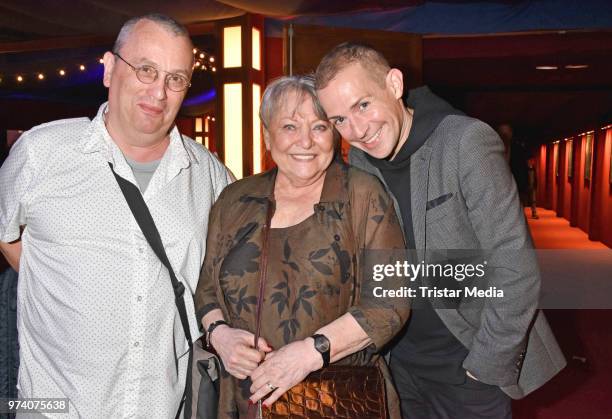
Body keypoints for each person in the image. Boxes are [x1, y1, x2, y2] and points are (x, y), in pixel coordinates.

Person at [315, 43, 566, 419]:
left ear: (394, 84)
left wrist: (483, 367)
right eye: (339, 120)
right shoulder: (364, 162)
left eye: (363, 105)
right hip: (398, 364)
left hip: (466, 365)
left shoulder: (465, 142)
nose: (358, 130)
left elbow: (516, 267)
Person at [0, 14, 232, 418]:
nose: (159, 91)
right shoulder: (41, 153)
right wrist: (54, 277)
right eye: (146, 70)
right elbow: (5, 231)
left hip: (164, 409)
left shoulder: (208, 173)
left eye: (176, 78)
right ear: (109, 68)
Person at [194, 75, 410, 418]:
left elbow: (390, 304)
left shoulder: (361, 195)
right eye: (290, 126)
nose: (306, 141)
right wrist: (221, 336)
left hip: (337, 400)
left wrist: (312, 352)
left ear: (334, 134)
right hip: (245, 400)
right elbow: (206, 287)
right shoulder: (235, 200)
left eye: (320, 127)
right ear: (267, 135)